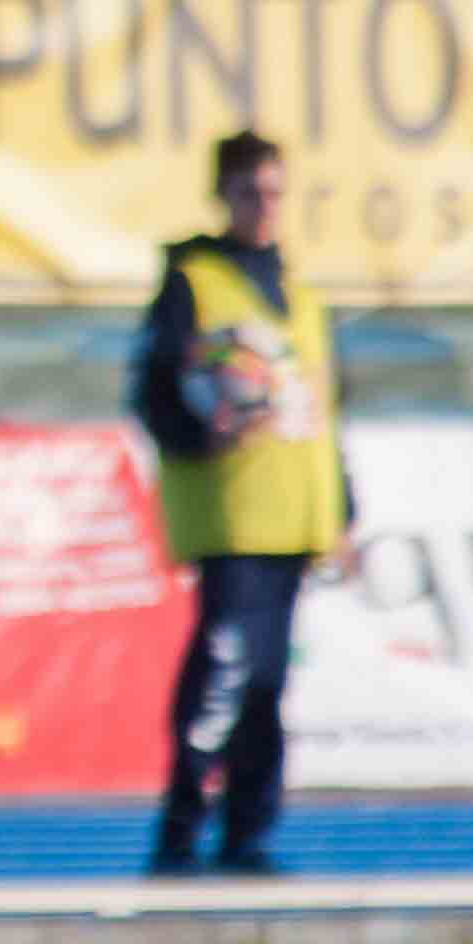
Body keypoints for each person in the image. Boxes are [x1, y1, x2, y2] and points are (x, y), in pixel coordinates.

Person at [131, 130, 352, 873]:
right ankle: (180, 830)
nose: (265, 206)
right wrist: (202, 434)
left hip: (293, 514)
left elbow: (323, 411)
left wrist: (341, 509)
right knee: (220, 677)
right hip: (231, 514)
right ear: (222, 195)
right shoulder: (193, 283)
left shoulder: (303, 297)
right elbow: (152, 391)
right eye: (250, 192)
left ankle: (248, 835)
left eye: (275, 192)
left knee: (267, 685)